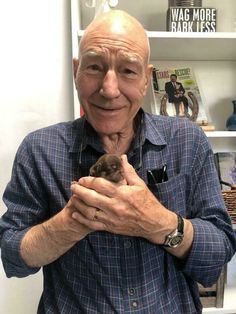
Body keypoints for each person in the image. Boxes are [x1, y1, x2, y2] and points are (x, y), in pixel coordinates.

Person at [0, 10, 235, 314]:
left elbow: (218, 254)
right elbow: (12, 256)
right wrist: (70, 223)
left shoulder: (188, 141)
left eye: (127, 71)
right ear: (76, 71)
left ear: (146, 79)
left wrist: (158, 223)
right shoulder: (39, 150)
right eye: (95, 67)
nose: (109, 90)